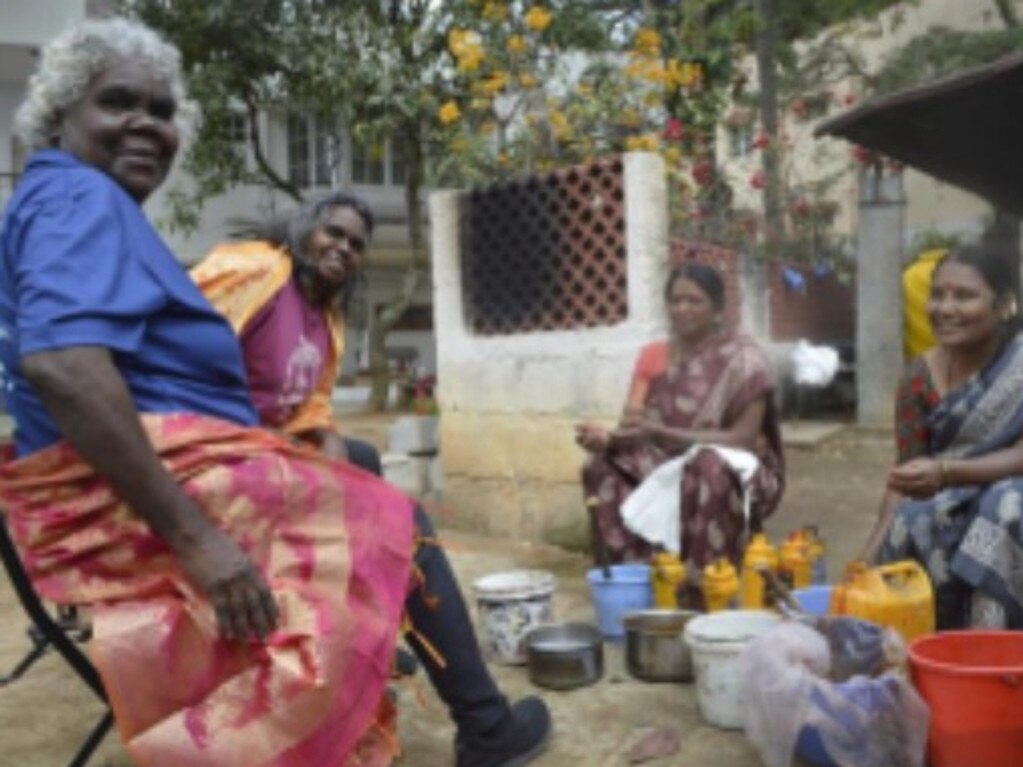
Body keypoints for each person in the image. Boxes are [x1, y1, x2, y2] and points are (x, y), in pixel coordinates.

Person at [0, 17, 548, 767]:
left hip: (205, 449)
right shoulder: (158, 233)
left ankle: (386, 644)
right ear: (61, 113)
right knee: (396, 518)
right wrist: (198, 537)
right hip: (143, 485)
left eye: (162, 112)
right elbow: (65, 364)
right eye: (118, 102)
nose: (146, 124)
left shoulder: (323, 319)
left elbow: (300, 401)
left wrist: (306, 441)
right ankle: (479, 720)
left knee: (356, 459)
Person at [575, 262, 785, 592]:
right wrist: (607, 439)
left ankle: (706, 588)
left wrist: (662, 434)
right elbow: (634, 427)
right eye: (675, 300)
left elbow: (742, 440)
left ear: (717, 309)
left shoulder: (744, 360)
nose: (682, 309)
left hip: (735, 465)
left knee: (706, 466)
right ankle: (638, 581)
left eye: (694, 301)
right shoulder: (654, 356)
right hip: (666, 460)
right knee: (601, 468)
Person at [860, 245, 1023, 630]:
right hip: (948, 494)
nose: (945, 308)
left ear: (1004, 307)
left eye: (964, 296)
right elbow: (905, 473)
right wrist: (868, 557)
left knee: (1005, 504)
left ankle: (993, 648)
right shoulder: (918, 376)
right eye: (938, 294)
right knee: (913, 516)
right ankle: (930, 647)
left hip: (1008, 492)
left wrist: (948, 471)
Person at [191, 192, 381, 474]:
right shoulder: (255, 270)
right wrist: (259, 433)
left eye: (356, 245)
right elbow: (184, 352)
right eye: (333, 233)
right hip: (216, 430)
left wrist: (328, 435)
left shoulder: (329, 316)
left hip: (279, 439)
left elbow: (315, 401)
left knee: (363, 459)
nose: (343, 248)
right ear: (306, 231)